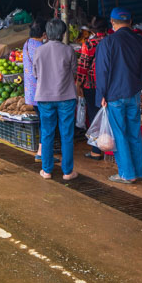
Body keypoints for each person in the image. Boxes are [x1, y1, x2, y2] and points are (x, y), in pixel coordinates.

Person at [95, 7, 142, 184]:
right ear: (131, 22)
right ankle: (139, 171)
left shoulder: (107, 42)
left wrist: (101, 94)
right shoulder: (140, 41)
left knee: (119, 134)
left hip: (114, 94)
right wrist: (139, 83)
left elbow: (102, 71)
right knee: (134, 132)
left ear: (112, 23)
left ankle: (127, 174)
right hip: (133, 93)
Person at [32, 19, 79, 181]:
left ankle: (47, 171)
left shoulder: (39, 51)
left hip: (44, 98)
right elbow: (74, 72)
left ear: (48, 33)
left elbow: (36, 74)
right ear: (62, 33)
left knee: (47, 133)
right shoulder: (69, 51)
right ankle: (67, 172)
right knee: (67, 134)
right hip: (66, 97)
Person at [76, 19, 109, 161]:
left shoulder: (89, 44)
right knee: (108, 116)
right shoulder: (110, 42)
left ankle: (96, 150)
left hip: (91, 85)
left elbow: (82, 67)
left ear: (92, 31)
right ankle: (109, 148)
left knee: (95, 116)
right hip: (109, 85)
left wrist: (78, 84)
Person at [22, 19, 46, 162]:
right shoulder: (40, 48)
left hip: (31, 92)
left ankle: (42, 150)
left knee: (43, 121)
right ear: (44, 34)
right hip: (42, 92)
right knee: (46, 123)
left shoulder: (27, 44)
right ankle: (41, 152)